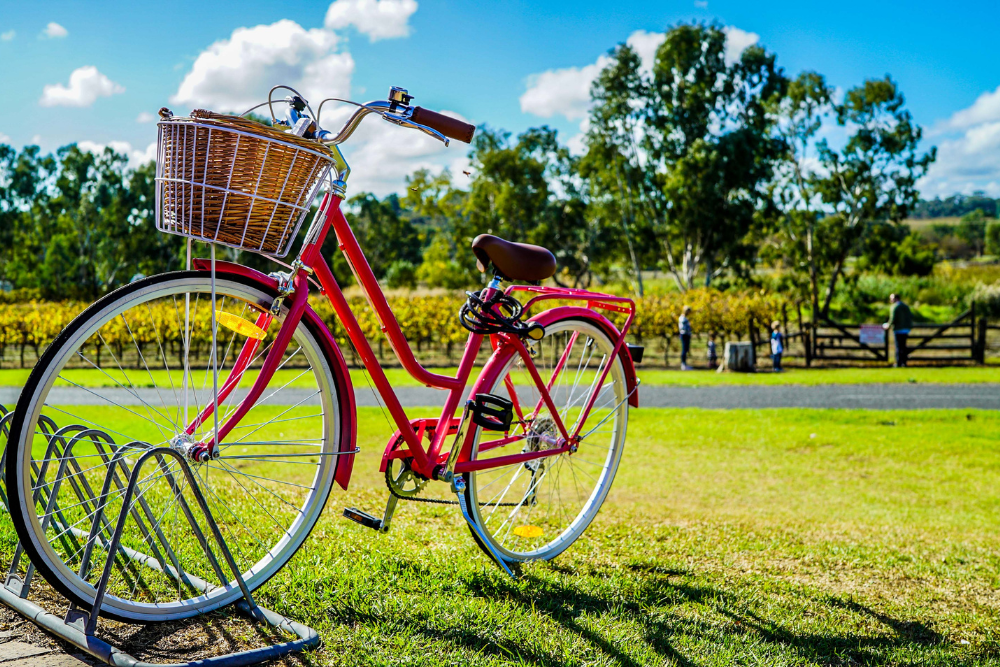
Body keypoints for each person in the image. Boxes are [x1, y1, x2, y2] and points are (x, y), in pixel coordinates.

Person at [882, 293, 912, 367]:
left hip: (898, 329)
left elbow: (893, 318)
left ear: (896, 298)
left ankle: (898, 362)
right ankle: (904, 362)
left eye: (892, 299)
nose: (891, 300)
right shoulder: (905, 306)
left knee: (898, 346)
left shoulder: (894, 307)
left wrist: (888, 325)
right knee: (903, 346)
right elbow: (910, 316)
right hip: (906, 329)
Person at [678, 306, 693, 370]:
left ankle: (684, 364)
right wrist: (689, 330)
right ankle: (683, 365)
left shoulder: (684, 318)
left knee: (686, 349)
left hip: (686, 335)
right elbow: (684, 328)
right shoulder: (682, 318)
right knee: (684, 349)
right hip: (684, 335)